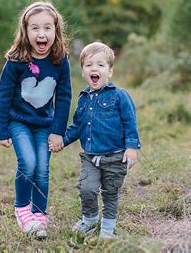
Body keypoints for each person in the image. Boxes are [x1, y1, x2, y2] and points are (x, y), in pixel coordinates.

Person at [0, 1, 72, 239]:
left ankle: (39, 215)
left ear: (55, 31)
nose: (41, 34)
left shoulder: (60, 60)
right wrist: (2, 130)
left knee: (42, 168)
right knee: (28, 162)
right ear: (25, 32)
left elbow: (64, 97)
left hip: (45, 125)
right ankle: (22, 209)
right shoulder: (17, 60)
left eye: (47, 28)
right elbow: (4, 95)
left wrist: (58, 131)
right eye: (35, 28)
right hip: (19, 122)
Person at [49, 41, 140, 239]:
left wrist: (131, 148)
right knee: (87, 188)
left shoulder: (119, 96)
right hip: (91, 157)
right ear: (83, 71)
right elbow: (77, 127)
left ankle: (107, 230)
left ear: (110, 71)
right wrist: (62, 141)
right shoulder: (83, 99)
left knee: (110, 193)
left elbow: (130, 123)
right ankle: (89, 220)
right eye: (89, 65)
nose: (94, 69)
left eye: (100, 65)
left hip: (116, 157)